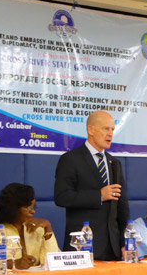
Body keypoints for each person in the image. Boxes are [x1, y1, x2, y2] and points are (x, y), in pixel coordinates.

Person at [54, 110, 130, 261]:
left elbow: (122, 205)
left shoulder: (114, 163)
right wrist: (99, 195)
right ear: (91, 130)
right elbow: (62, 197)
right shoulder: (70, 159)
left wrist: (124, 242)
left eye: (112, 130)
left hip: (112, 247)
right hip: (82, 245)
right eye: (105, 129)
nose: (110, 134)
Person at [0, 183, 59, 269]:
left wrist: (48, 228)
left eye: (33, 207)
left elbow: (54, 261)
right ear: (13, 208)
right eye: (28, 207)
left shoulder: (39, 229)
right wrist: (14, 264)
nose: (33, 212)